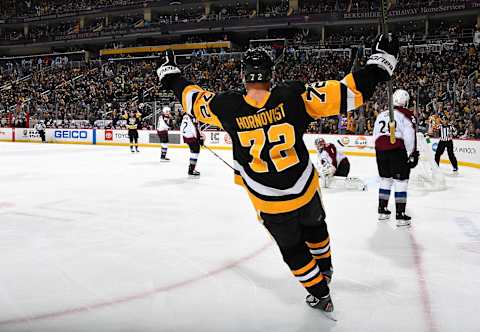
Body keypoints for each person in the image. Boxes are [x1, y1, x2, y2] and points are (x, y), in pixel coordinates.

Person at [157, 33, 399, 314]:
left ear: (243, 75)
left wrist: (169, 74)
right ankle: (326, 269)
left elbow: (191, 97)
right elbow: (349, 91)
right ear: (271, 74)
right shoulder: (294, 95)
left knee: (293, 249)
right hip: (304, 188)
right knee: (316, 227)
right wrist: (381, 60)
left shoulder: (225, 106)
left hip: (268, 199)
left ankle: (321, 294)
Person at [373, 89, 418, 227]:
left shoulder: (381, 114)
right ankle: (400, 215)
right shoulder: (406, 114)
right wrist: (412, 153)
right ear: (405, 101)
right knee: (401, 181)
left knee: (385, 180)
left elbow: (375, 134)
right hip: (396, 150)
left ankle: (382, 210)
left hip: (380, 150)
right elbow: (410, 134)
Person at [181, 113, 204, 177]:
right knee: (195, 153)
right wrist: (199, 139)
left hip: (187, 137)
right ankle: (191, 170)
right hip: (192, 137)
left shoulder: (185, 116)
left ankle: (191, 168)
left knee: (193, 152)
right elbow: (195, 128)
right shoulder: (193, 117)